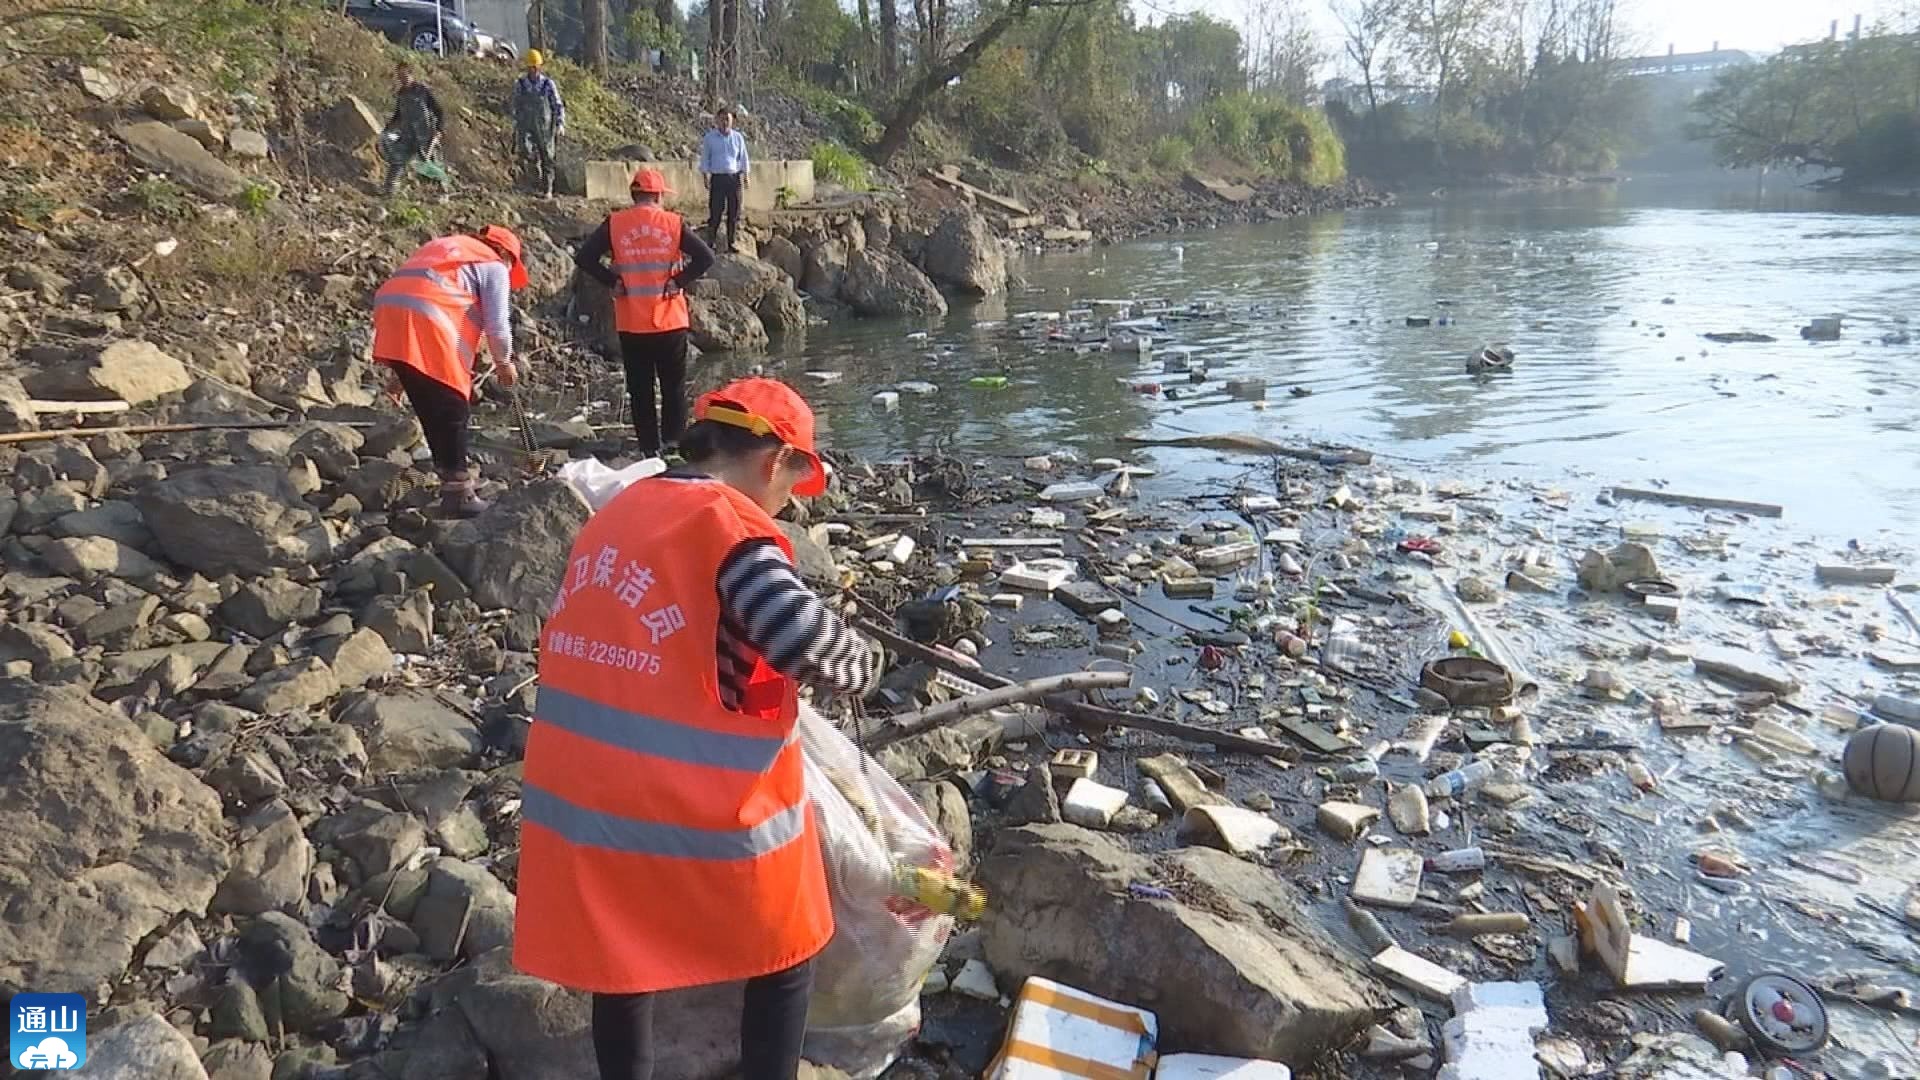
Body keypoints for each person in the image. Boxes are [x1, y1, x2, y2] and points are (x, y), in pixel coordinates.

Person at [514, 376, 877, 1080]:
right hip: (683, 808)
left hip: (580, 805)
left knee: (620, 964)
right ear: (774, 461)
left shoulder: (620, 513)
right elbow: (795, 636)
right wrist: (862, 663)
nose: (782, 505)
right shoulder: (730, 529)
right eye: (790, 485)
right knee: (787, 950)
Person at [371, 225, 528, 517]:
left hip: (390, 308)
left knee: (430, 407)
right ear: (505, 253)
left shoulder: (448, 248)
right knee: (453, 405)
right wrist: (504, 362)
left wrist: (401, 372)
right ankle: (460, 493)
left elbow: (414, 292)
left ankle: (450, 482)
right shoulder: (492, 264)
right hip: (429, 315)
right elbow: (497, 325)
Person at [574, 167, 716, 457]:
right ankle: (673, 446)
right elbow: (705, 257)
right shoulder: (673, 223)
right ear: (659, 195)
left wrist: (611, 281)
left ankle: (648, 448)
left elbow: (585, 257)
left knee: (640, 389)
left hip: (632, 321)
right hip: (669, 318)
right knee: (673, 386)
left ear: (634, 194)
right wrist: (678, 281)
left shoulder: (615, 224)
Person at [381, 61, 446, 197]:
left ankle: (442, 192)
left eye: (404, 76)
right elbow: (399, 114)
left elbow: (439, 111)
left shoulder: (422, 91)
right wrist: (388, 127)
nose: (402, 79)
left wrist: (438, 130)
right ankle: (389, 189)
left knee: (430, 164)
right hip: (407, 134)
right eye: (400, 76)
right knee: (398, 159)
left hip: (425, 134)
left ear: (411, 75)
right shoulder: (401, 94)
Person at [511, 49, 566, 197]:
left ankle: (547, 189)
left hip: (545, 128)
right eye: (530, 67)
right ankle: (533, 183)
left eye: (535, 67)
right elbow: (515, 104)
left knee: (547, 157)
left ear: (540, 67)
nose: (533, 70)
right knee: (526, 152)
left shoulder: (548, 84)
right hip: (526, 127)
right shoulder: (521, 84)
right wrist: (515, 122)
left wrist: (560, 123)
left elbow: (557, 104)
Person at [698, 106, 749, 253]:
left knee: (734, 211)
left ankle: (731, 242)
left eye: (728, 119)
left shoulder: (738, 138)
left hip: (734, 178)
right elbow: (705, 159)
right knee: (716, 211)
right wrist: (705, 176)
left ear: (732, 121)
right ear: (717, 120)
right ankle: (711, 242)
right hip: (718, 178)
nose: (725, 122)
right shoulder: (710, 138)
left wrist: (746, 175)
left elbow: (743, 157)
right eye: (722, 119)